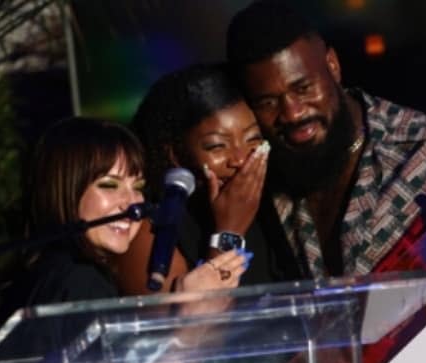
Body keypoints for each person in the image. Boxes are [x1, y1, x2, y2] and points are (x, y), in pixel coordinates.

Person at [225, 0, 426, 279]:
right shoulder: (261, 179)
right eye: (268, 102)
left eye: (303, 88)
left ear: (333, 65)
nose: (292, 113)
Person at [0, 117, 247, 363]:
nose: (132, 203)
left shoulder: (43, 274)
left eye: (137, 187)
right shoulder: (80, 282)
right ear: (65, 189)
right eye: (109, 185)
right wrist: (187, 323)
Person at [118, 63, 301, 296]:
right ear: (175, 155)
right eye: (217, 146)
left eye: (252, 139)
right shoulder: (153, 225)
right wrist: (229, 231)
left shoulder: (276, 200)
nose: (240, 159)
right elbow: (185, 328)